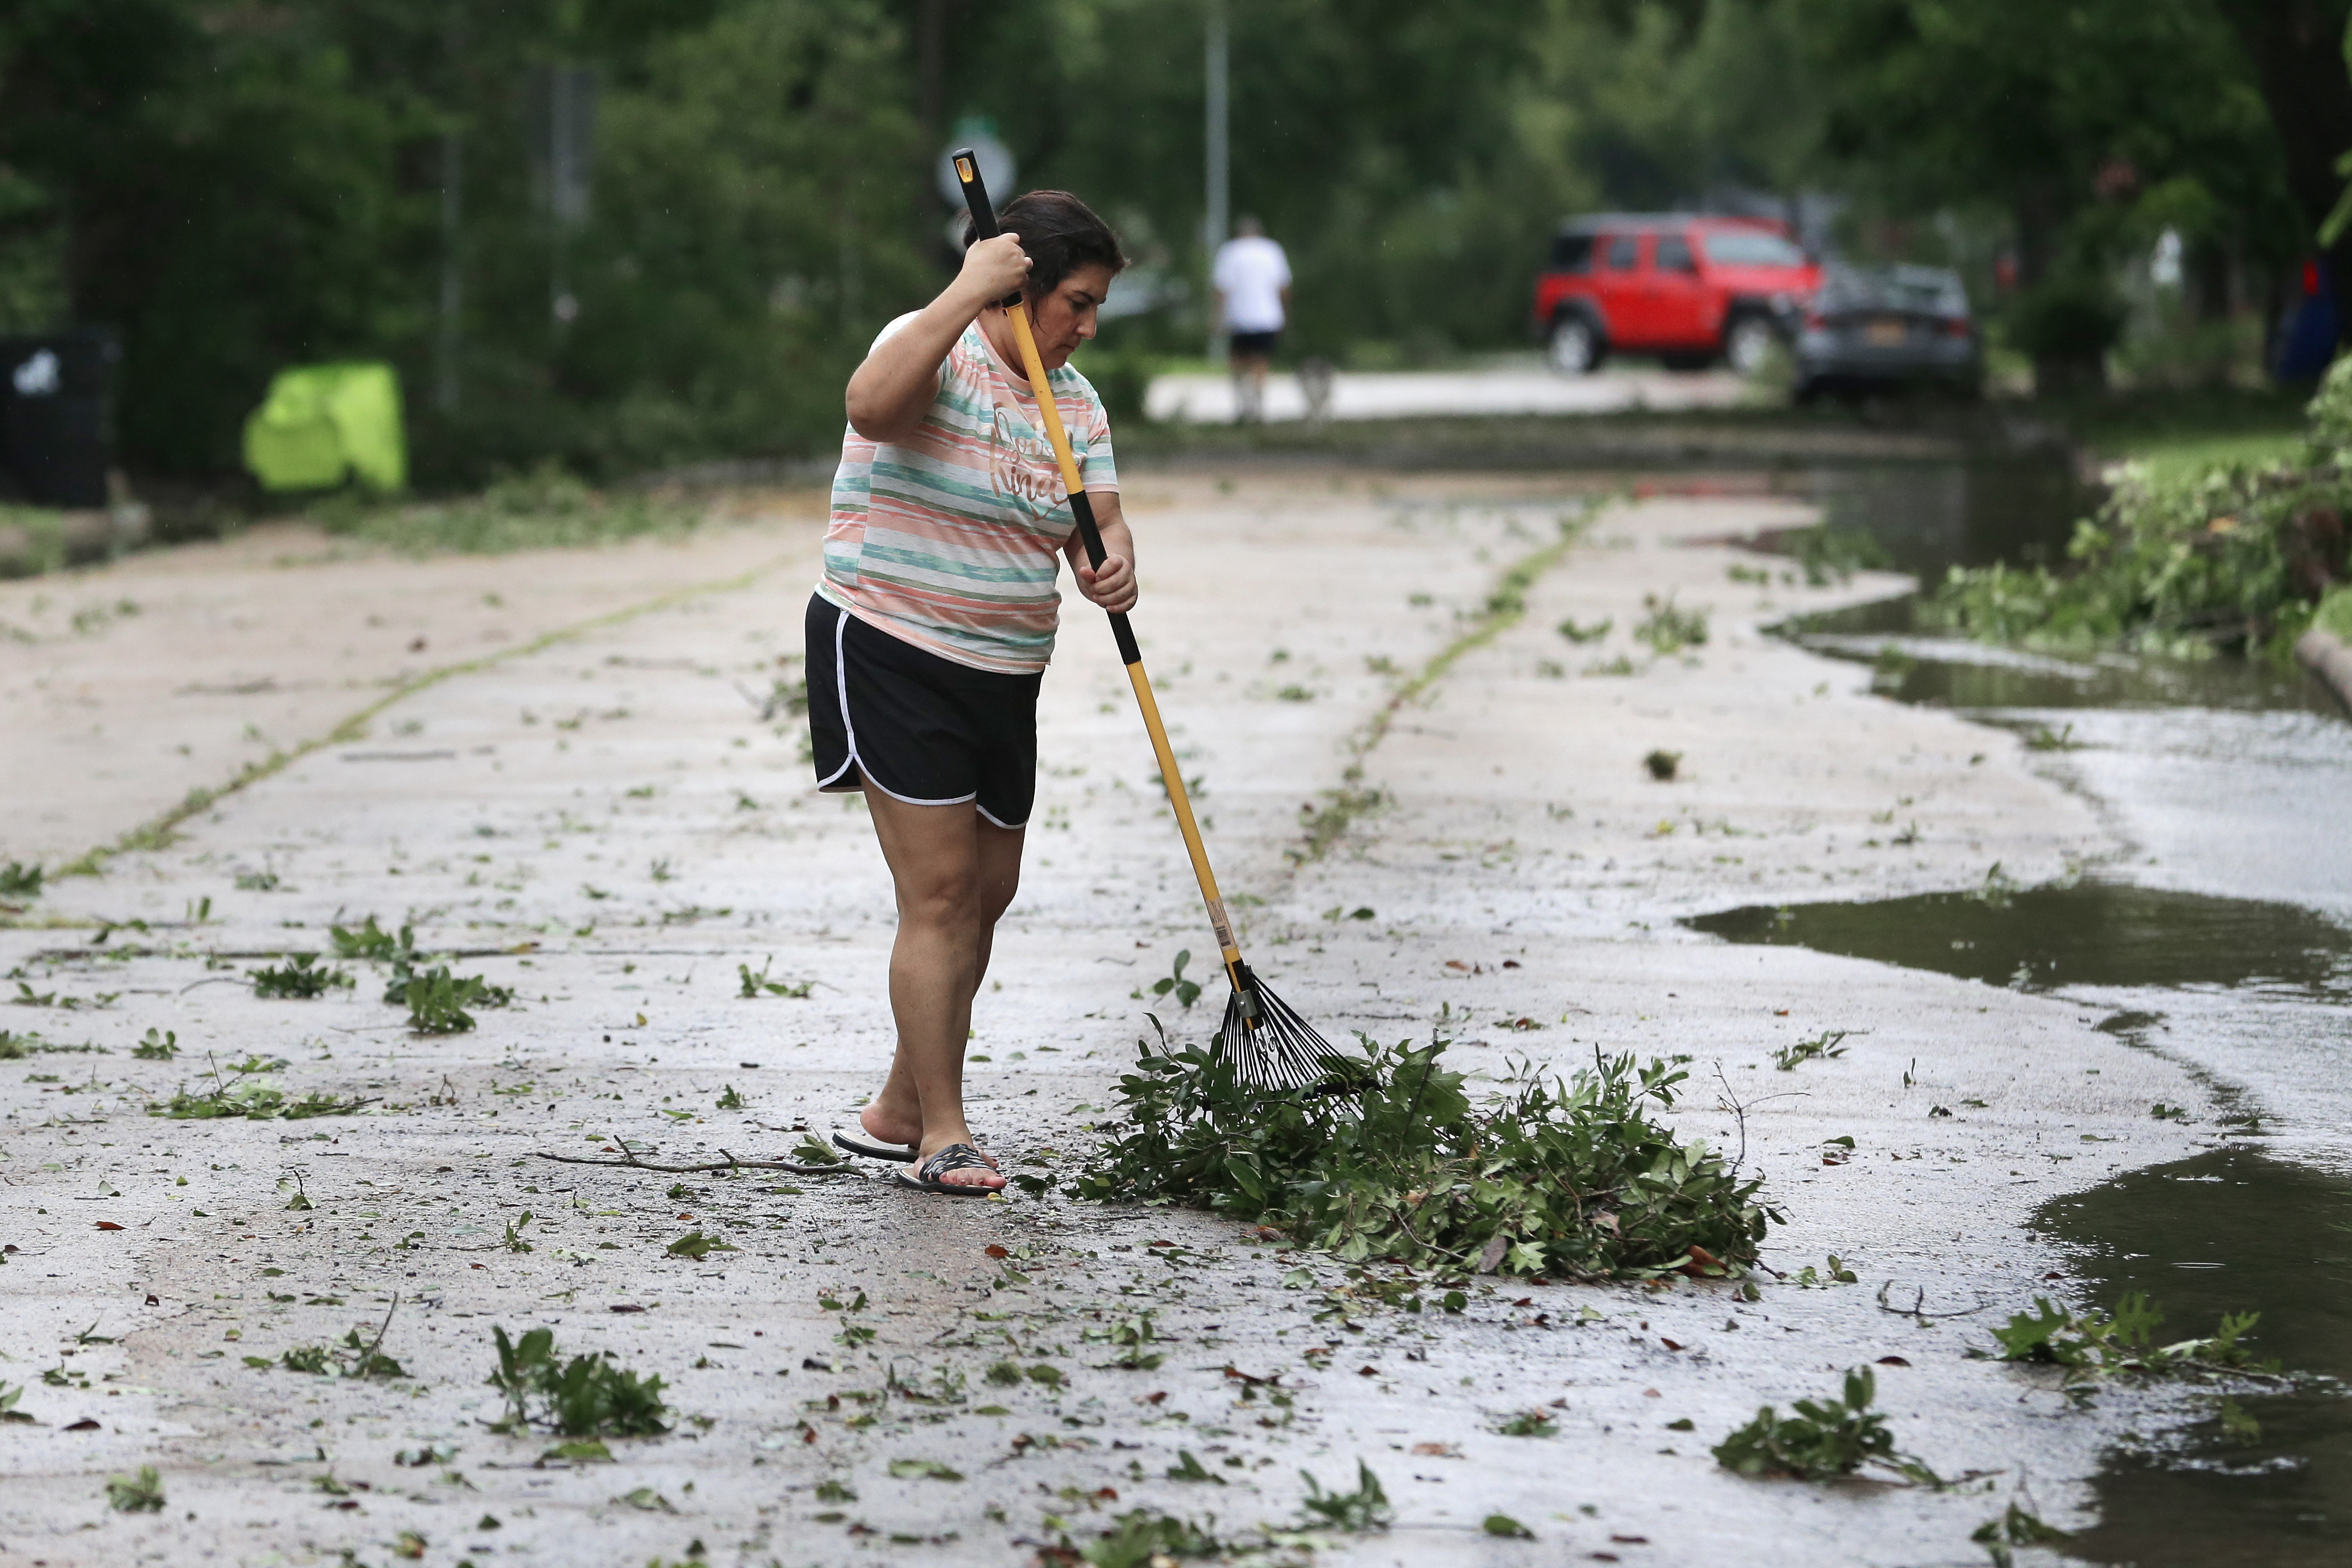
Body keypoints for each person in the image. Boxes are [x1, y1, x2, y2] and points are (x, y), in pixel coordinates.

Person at [812, 190, 1134, 1196]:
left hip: (1006, 667)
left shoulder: (1074, 401)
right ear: (1015, 286)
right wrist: (962, 292)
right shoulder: (931, 342)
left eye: (1094, 310)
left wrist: (1110, 563)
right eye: (1073, 302)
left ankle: (901, 1100)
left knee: (986, 894)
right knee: (942, 893)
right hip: (892, 643)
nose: (1085, 326)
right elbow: (869, 407)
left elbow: (1105, 524)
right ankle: (940, 1134)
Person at [1212, 216, 1291, 422]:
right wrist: (1285, 314)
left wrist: (1218, 317)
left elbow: (1222, 289)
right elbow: (1282, 286)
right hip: (1267, 316)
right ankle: (1258, 407)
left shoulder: (1230, 252)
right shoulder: (1272, 250)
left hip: (1239, 316)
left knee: (1238, 362)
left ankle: (1242, 406)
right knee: (1261, 362)